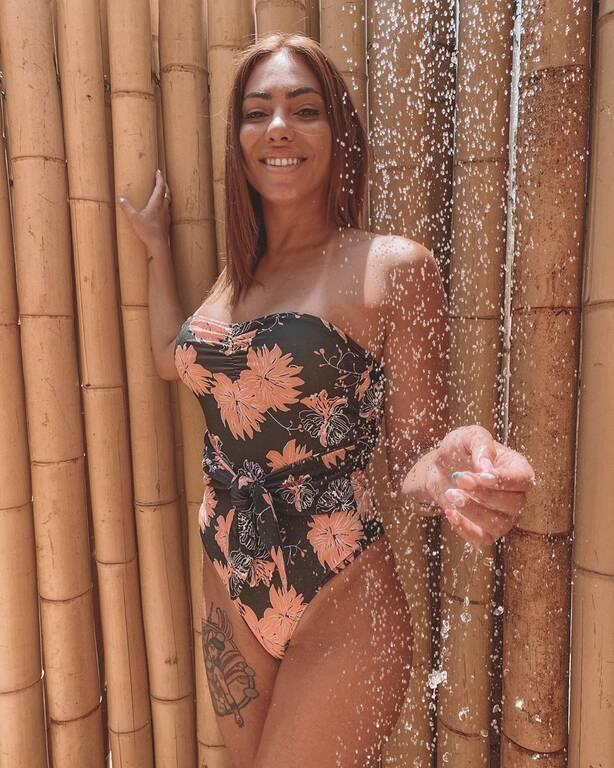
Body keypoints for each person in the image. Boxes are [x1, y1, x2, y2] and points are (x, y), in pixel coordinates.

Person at [119, 31, 535, 768]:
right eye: (258, 112)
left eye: (304, 109)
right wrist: (156, 251)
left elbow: (413, 455)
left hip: (340, 603)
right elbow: (167, 358)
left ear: (339, 130)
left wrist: (451, 468)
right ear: (238, 139)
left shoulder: (391, 267)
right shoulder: (234, 279)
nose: (278, 127)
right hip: (228, 586)